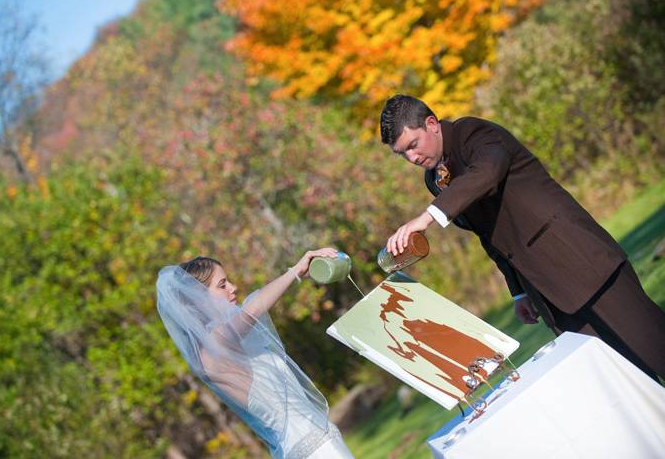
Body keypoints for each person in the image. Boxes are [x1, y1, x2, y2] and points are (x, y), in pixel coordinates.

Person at [379, 94, 665, 381]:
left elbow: (488, 172)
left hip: (582, 263)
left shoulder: (475, 133)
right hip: (545, 291)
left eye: (412, 145)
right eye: (402, 154)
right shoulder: (434, 180)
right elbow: (489, 235)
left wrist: (428, 216)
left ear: (431, 124)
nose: (411, 158)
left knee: (652, 348)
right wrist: (518, 291)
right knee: (620, 379)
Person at [156, 249, 354, 459]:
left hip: (316, 440)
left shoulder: (232, 341)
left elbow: (253, 307)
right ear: (197, 299)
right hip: (313, 450)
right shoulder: (213, 348)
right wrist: (295, 270)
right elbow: (252, 312)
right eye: (222, 285)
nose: (233, 288)